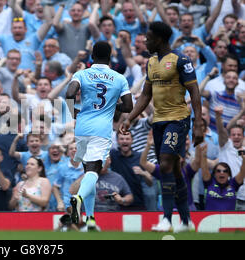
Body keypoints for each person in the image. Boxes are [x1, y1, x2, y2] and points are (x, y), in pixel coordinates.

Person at [120, 22, 204, 232]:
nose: (145, 42)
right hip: (158, 121)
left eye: (148, 38)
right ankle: (186, 221)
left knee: (165, 164)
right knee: (175, 170)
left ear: (160, 39)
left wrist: (198, 124)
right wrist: (130, 118)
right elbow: (146, 94)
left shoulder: (181, 60)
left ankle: (166, 218)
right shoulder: (151, 62)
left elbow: (194, 92)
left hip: (177, 120)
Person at [66, 41, 133, 229]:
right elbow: (129, 106)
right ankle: (78, 198)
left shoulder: (82, 74)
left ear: (92, 57)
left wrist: (73, 112)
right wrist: (112, 105)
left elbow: (69, 93)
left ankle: (90, 220)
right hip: (101, 130)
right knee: (94, 172)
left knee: (88, 172)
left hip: (82, 127)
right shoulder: (119, 78)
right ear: (110, 57)